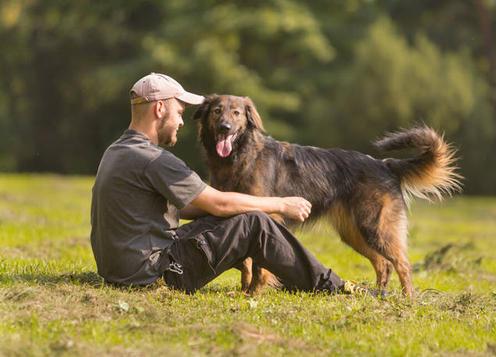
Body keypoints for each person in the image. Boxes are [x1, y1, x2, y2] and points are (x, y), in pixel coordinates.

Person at [90, 72, 372, 295]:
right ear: (159, 109)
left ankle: (294, 277)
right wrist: (281, 204)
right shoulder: (153, 159)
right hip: (155, 273)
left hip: (120, 269)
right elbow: (219, 202)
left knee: (241, 214)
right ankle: (333, 286)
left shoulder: (117, 151)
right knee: (255, 222)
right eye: (178, 112)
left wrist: (232, 210)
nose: (182, 122)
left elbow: (189, 207)